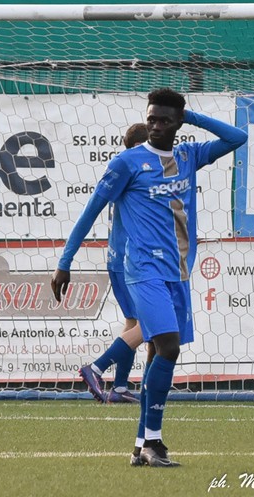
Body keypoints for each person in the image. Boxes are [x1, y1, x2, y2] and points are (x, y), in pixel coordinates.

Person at [51, 88, 248, 468]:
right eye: (151, 118)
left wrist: (193, 117)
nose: (155, 125)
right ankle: (154, 442)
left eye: (163, 119)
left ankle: (140, 444)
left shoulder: (189, 156)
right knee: (169, 347)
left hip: (178, 272)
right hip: (142, 270)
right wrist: (65, 261)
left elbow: (238, 138)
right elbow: (92, 210)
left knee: (159, 352)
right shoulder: (128, 162)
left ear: (177, 122)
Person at [78, 123, 149, 404]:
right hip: (128, 261)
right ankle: (96, 367)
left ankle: (119, 387)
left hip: (117, 258)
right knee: (155, 323)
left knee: (132, 322)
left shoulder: (125, 170)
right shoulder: (134, 169)